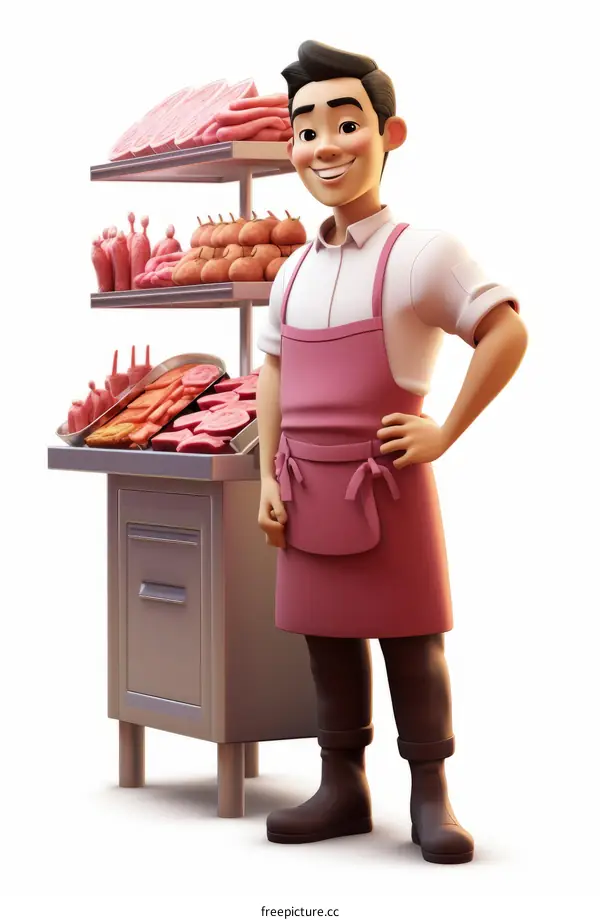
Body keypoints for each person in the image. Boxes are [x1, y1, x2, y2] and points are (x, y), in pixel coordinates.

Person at [255, 39, 527, 865]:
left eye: (346, 124)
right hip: (306, 489)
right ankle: (341, 786)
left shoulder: (422, 253)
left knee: (412, 642)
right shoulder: (292, 271)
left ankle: (431, 792)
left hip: (388, 485)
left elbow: (504, 330)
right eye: (306, 130)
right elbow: (274, 371)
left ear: (389, 134)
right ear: (291, 147)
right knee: (326, 643)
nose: (325, 146)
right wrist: (267, 475)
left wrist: (444, 430)